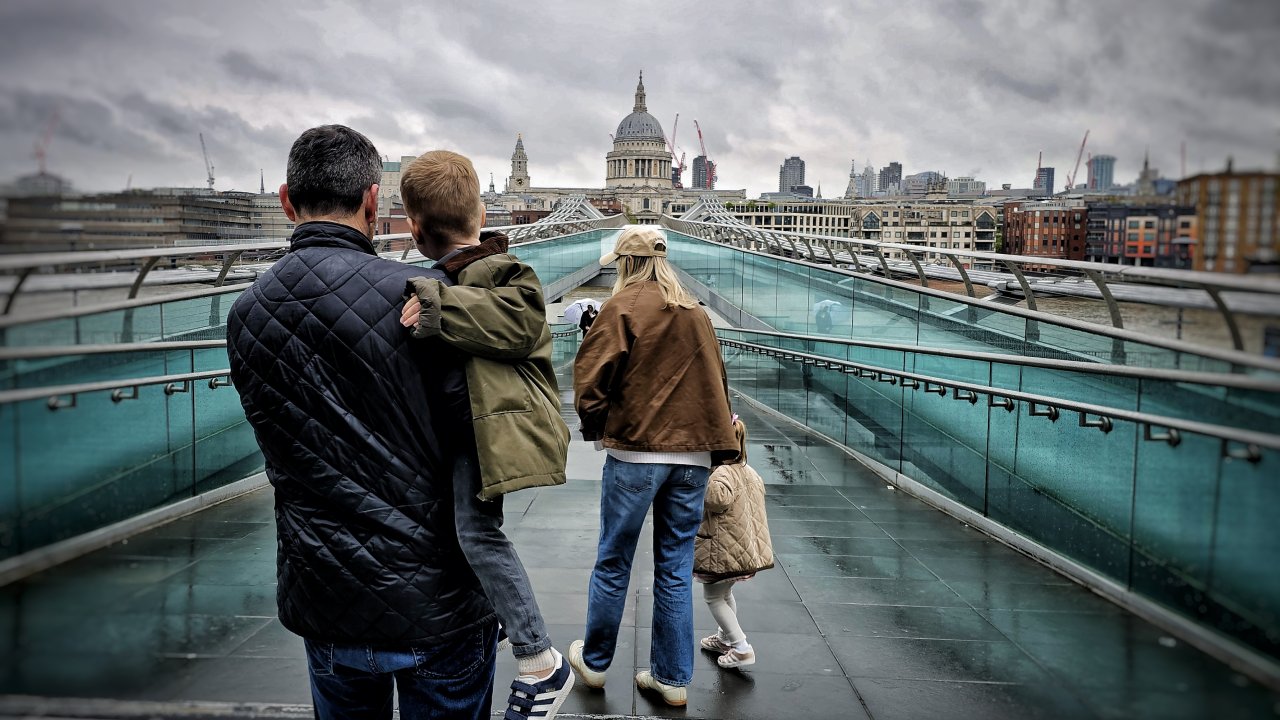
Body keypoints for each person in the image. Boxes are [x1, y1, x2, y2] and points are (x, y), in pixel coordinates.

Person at [226, 126, 497, 719]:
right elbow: (475, 437)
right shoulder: (426, 298)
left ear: (285, 201)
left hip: (324, 597)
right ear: (375, 202)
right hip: (438, 598)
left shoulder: (244, 313)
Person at [397, 150, 574, 720]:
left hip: (487, 432)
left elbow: (520, 324)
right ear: (478, 208)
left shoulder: (502, 269)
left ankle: (540, 658)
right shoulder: (443, 276)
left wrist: (434, 303)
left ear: (415, 229)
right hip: (460, 431)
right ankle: (496, 617)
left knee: (476, 534)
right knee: (457, 532)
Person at [569, 226, 739, 708]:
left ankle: (596, 663)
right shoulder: (696, 314)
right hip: (694, 457)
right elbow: (718, 381)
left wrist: (599, 428)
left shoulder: (619, 307)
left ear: (623, 262)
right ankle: (671, 677)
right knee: (674, 566)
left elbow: (590, 382)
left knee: (613, 561)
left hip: (636, 454)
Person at [694, 417, 774, 670]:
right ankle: (724, 638)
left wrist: (702, 480)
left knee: (713, 597)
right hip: (742, 549)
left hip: (723, 549)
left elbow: (716, 501)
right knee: (725, 593)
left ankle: (741, 647)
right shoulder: (749, 471)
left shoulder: (720, 474)